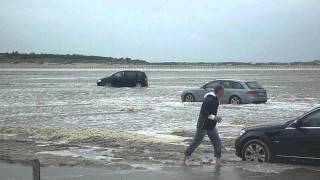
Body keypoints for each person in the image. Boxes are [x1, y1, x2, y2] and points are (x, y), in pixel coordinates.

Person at [180, 85, 224, 166]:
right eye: (223, 91)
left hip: (211, 126)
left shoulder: (216, 99)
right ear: (219, 91)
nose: (224, 93)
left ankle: (218, 160)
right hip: (203, 125)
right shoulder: (209, 100)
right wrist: (214, 117)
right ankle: (183, 158)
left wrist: (215, 118)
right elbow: (204, 112)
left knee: (217, 142)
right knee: (196, 142)